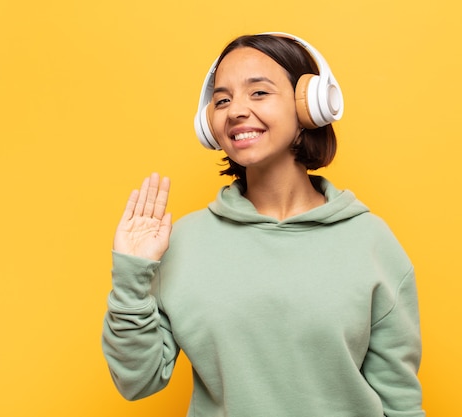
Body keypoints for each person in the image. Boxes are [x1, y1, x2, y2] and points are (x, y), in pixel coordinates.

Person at [102, 32, 425, 417]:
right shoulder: (183, 242)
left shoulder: (371, 242)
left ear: (309, 106)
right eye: (222, 100)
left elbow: (400, 402)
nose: (236, 110)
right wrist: (130, 277)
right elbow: (137, 380)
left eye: (258, 93)